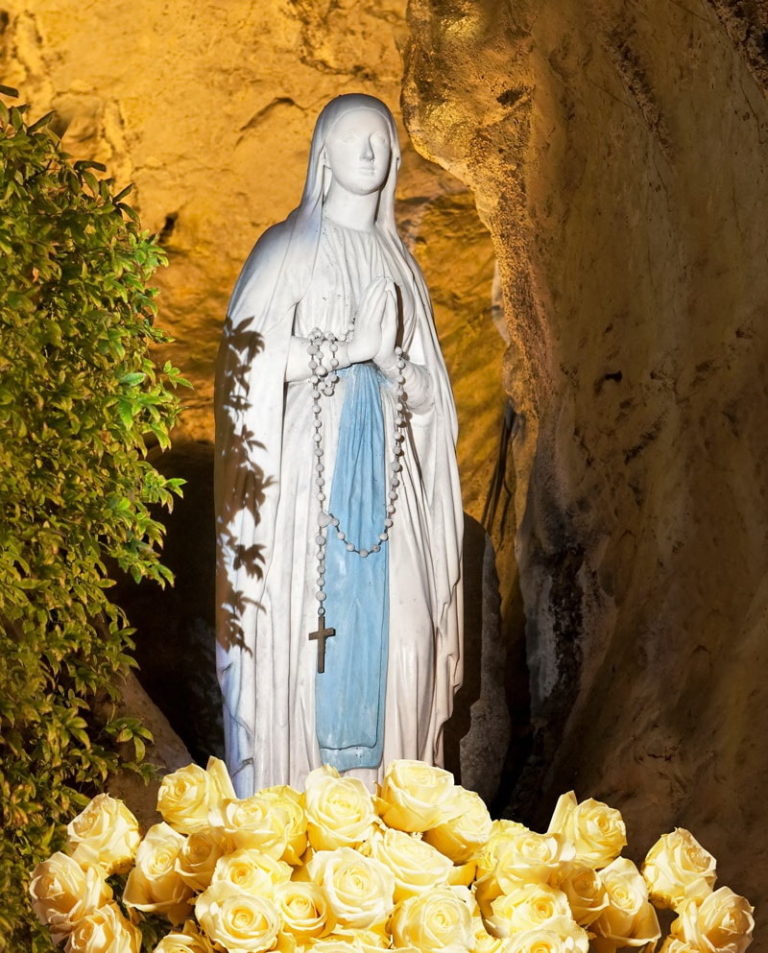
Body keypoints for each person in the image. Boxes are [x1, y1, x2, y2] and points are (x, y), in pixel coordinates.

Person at [214, 93, 463, 795]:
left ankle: (396, 803)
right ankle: (298, 806)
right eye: (353, 138)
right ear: (322, 154)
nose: (369, 151)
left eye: (381, 139)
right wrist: (341, 349)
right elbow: (247, 363)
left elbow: (433, 397)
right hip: (306, 479)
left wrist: (390, 366)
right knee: (307, 635)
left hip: (389, 479)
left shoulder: (401, 265)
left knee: (407, 631)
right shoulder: (287, 248)